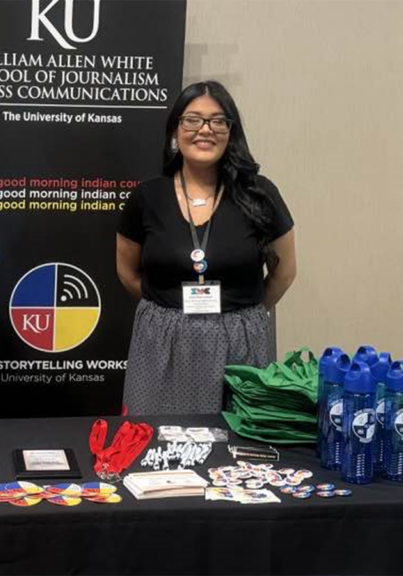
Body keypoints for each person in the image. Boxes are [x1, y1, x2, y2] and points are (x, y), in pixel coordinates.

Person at [115, 80, 296, 415]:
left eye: (217, 121)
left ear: (231, 131)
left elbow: (285, 272)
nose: (205, 130)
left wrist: (243, 314)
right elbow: (127, 272)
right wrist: (167, 313)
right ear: (175, 130)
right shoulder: (147, 197)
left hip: (241, 344)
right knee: (156, 445)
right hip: (162, 344)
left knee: (238, 450)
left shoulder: (260, 194)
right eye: (193, 119)